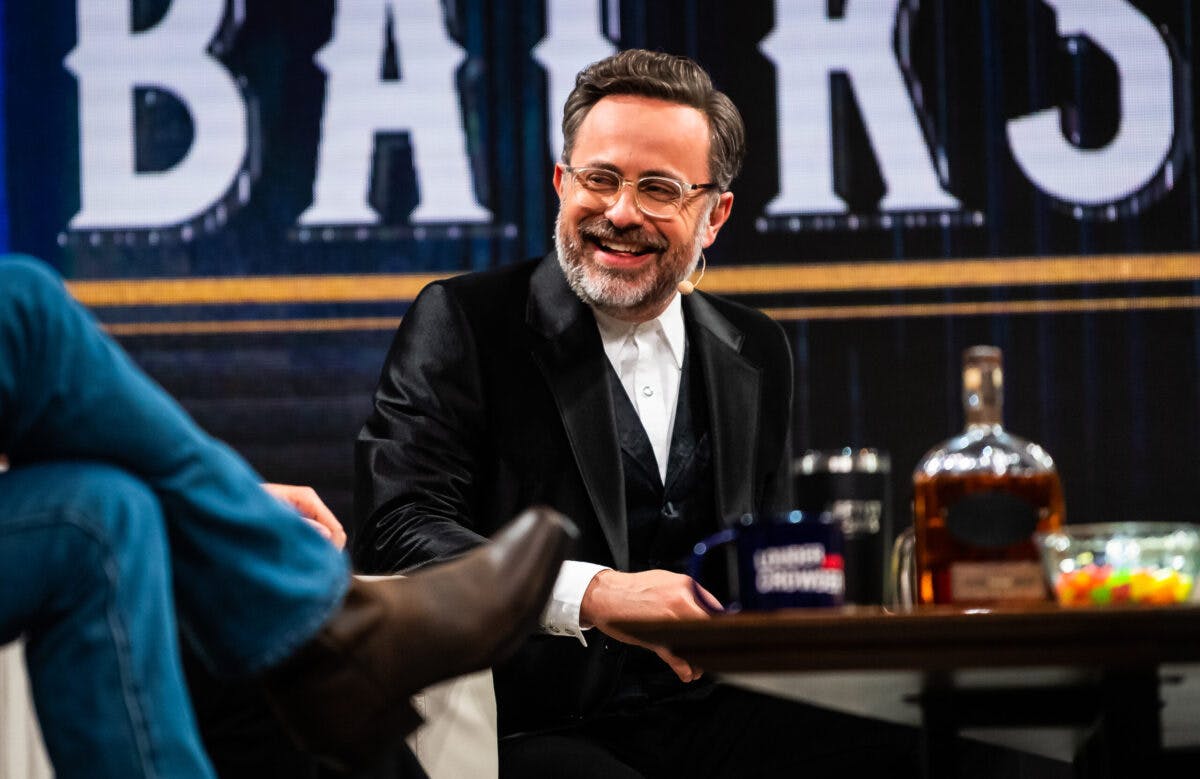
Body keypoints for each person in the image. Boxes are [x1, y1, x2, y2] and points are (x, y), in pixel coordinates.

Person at [354, 49, 918, 776]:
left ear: (713, 216)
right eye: (600, 179)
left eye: (658, 189)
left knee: (923, 735)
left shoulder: (756, 347)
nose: (620, 212)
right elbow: (397, 529)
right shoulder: (466, 320)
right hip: (529, 722)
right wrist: (593, 592)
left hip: (717, 711)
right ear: (562, 183)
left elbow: (760, 558)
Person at [0, 254, 576, 778]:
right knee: (23, 301)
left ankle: (332, 633)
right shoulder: (466, 315)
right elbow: (404, 517)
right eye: (599, 182)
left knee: (107, 510)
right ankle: (335, 628)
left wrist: (231, 511)